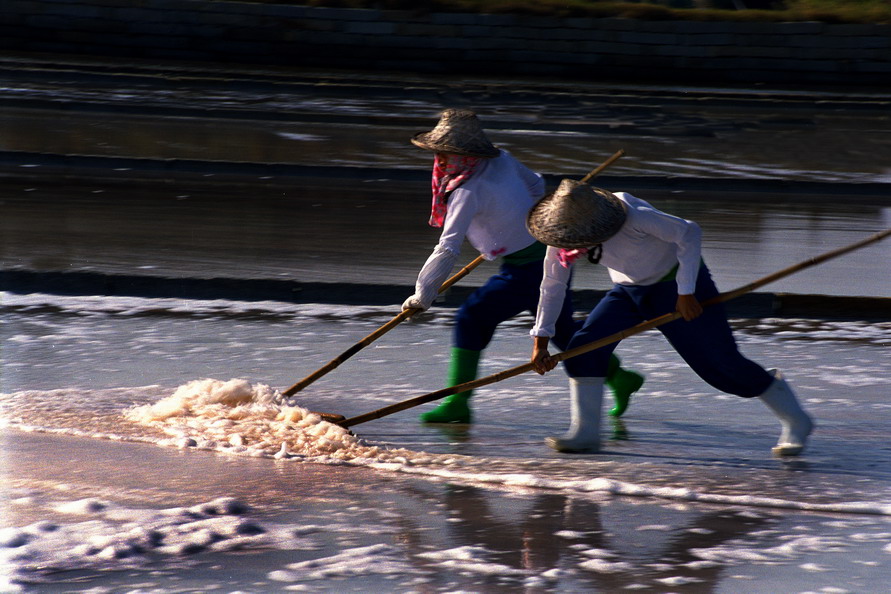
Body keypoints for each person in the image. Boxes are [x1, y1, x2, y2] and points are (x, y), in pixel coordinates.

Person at [527, 178, 814, 456]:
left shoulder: (632, 214)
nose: (572, 243)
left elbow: (689, 232)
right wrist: (541, 338)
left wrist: (686, 292)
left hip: (675, 285)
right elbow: (552, 286)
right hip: (628, 291)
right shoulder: (563, 233)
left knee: (722, 366)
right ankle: (586, 433)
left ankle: (796, 420)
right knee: (582, 350)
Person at [403, 108, 644, 424]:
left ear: (464, 154)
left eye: (445, 153)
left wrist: (423, 295)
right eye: (438, 153)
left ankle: (458, 402)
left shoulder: (465, 191)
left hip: (529, 267)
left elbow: (448, 247)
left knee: (472, 317)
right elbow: (536, 184)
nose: (440, 160)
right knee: (562, 331)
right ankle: (620, 376)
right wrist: (526, 221)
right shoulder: (502, 158)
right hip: (550, 248)